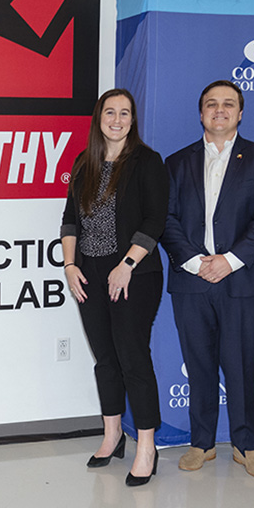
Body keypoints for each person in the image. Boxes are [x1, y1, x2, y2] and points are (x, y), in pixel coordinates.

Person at [161, 81, 254, 479]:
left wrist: (229, 261)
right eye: (211, 104)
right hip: (192, 280)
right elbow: (168, 219)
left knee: (242, 364)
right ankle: (202, 443)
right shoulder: (176, 163)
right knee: (199, 364)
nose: (219, 110)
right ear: (201, 114)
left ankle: (248, 445)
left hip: (244, 281)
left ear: (240, 113)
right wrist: (197, 263)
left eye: (228, 104)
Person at [61, 88, 169, 486]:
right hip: (89, 272)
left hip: (134, 274)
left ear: (133, 119)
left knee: (132, 357)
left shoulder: (147, 161)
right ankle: (111, 435)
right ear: (99, 117)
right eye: (110, 112)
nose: (117, 119)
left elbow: (155, 219)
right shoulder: (83, 162)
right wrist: (70, 266)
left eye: (125, 113)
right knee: (104, 357)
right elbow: (70, 218)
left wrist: (126, 264)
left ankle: (146, 446)